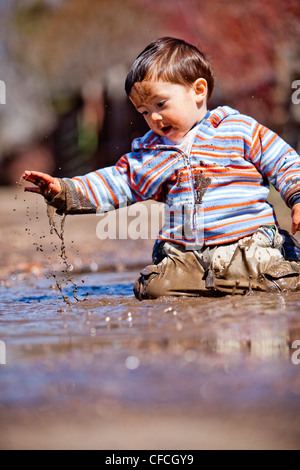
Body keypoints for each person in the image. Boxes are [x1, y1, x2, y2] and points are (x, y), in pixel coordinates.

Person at [23, 37, 300, 300]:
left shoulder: (237, 130)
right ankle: (215, 283)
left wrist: (297, 195)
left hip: (248, 246)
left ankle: (275, 271)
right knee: (154, 288)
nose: (153, 117)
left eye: (160, 104)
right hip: (189, 255)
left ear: (198, 91)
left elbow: (284, 161)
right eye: (143, 111)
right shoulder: (152, 152)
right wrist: (66, 190)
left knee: (279, 277)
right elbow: (116, 182)